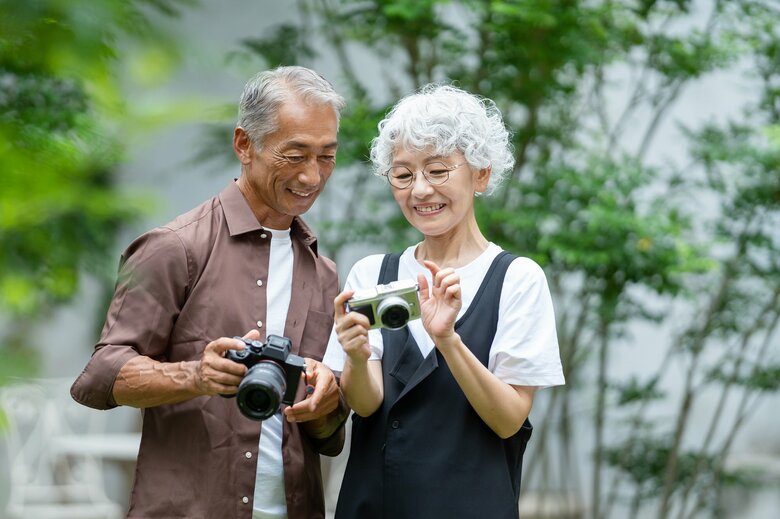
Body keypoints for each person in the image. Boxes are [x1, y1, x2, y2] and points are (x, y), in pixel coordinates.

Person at [71, 65, 350, 519]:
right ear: (244, 144)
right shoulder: (174, 247)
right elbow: (100, 376)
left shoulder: (324, 273)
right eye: (295, 155)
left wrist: (329, 397)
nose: (312, 176)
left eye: (327, 156)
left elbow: (328, 436)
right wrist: (195, 376)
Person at [322, 84, 565, 518]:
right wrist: (356, 358)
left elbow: (509, 419)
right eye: (402, 175)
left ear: (481, 174)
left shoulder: (516, 279)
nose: (419, 191)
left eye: (437, 171)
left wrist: (448, 339)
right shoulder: (373, 274)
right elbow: (365, 404)